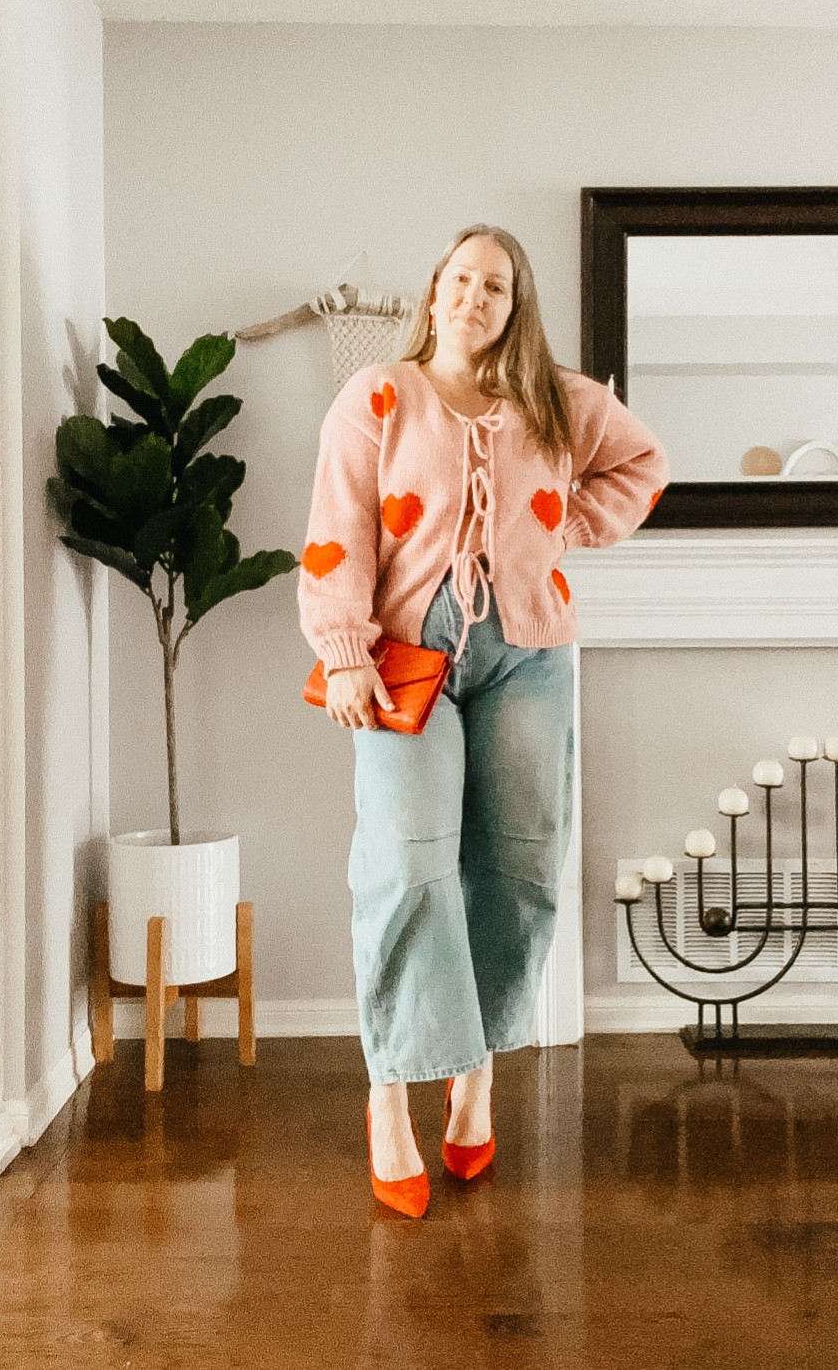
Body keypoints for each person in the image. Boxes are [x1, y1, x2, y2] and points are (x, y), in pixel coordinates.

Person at [298, 224, 669, 1217]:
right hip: (403, 658)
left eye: (493, 284)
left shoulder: (555, 401)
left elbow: (639, 466)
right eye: (459, 278)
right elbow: (334, 529)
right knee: (404, 863)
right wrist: (341, 651)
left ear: (514, 304)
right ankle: (389, 1092)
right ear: (433, 293)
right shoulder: (379, 394)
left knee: (515, 859)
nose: (472, 295)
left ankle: (473, 1078)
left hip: (529, 655)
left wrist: (558, 527)